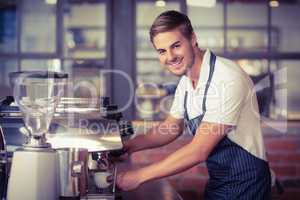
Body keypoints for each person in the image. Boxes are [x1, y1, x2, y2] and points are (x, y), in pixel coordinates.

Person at [117, 10, 271, 199]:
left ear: (193, 39)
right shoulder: (186, 81)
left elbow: (199, 150)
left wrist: (139, 176)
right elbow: (171, 127)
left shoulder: (226, 78)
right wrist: (128, 146)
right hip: (219, 183)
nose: (170, 56)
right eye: (162, 51)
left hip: (248, 187)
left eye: (176, 46)